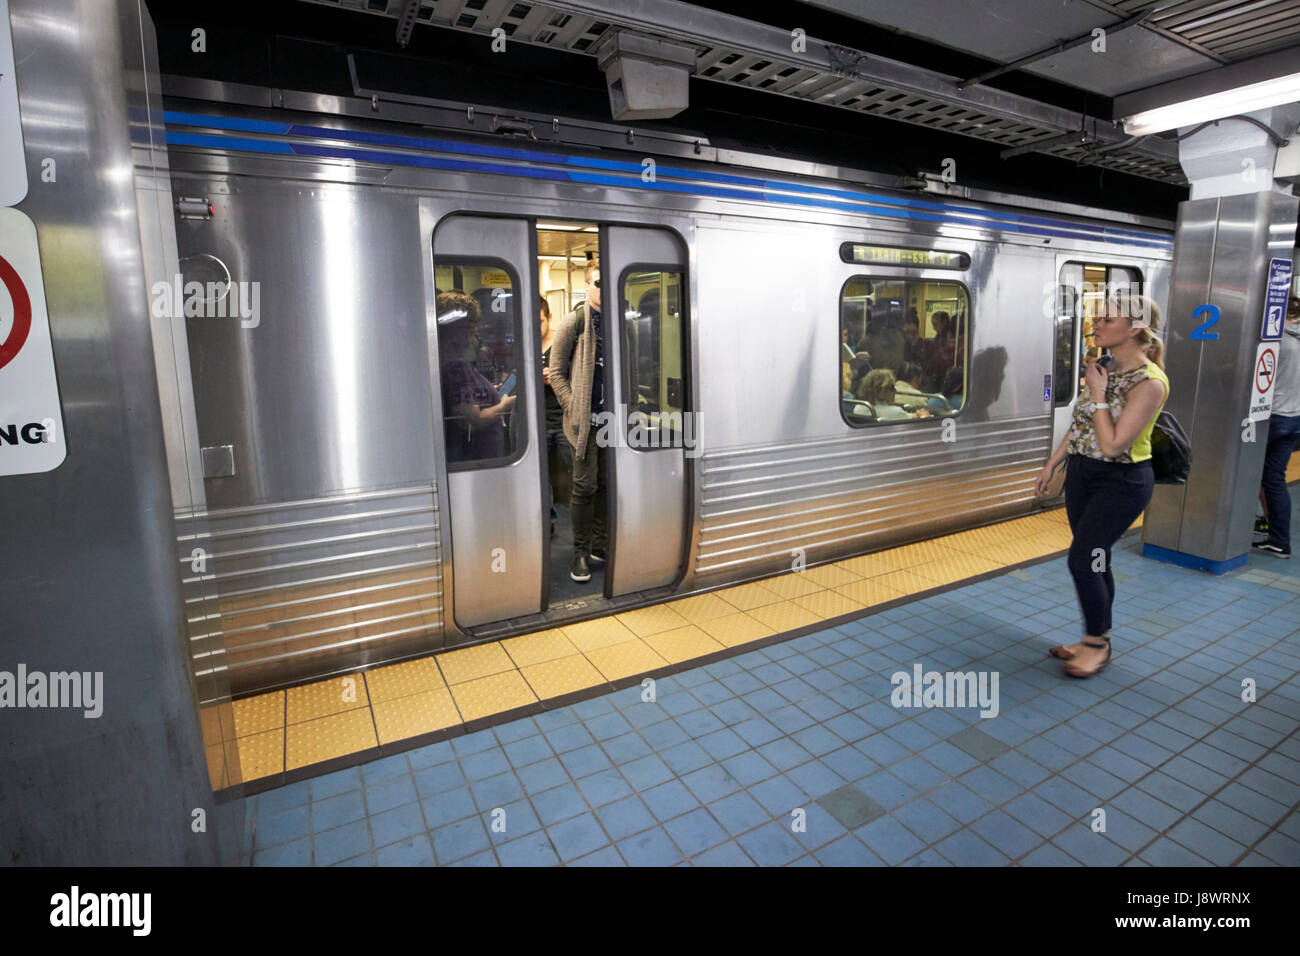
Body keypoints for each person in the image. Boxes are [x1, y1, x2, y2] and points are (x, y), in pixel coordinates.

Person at [1034, 294, 1169, 678]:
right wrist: (1054, 462)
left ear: (1135, 328)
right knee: (1097, 558)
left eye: (1107, 319)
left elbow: (1113, 444)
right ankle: (1097, 637)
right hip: (1082, 474)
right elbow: (1081, 425)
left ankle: (1096, 645)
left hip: (1121, 480)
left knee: (1082, 559)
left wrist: (1097, 394)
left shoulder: (1149, 383)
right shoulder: (1104, 365)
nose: (1096, 323)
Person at [549, 261, 609, 583]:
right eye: (598, 282)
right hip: (583, 423)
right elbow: (557, 373)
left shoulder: (617, 321)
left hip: (611, 420)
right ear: (588, 286)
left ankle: (601, 544)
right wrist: (574, 409)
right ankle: (581, 552)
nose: (603, 288)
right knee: (585, 487)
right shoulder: (575, 321)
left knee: (607, 485)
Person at [436, 291, 515, 463]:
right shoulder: (452, 368)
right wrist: (504, 405)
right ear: (459, 331)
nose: (474, 333)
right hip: (474, 459)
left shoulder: (459, 364)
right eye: (471, 328)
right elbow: (473, 419)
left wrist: (488, 391)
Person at [1254, 294, 1300, 557]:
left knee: (1241, 470)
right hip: (1294, 418)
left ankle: (1234, 525)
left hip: (1272, 417)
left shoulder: (1276, 341)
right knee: (1274, 479)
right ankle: (1279, 540)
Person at [540, 296, 573, 537]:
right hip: (536, 421)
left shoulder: (563, 344)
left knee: (577, 470)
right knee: (540, 476)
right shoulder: (523, 344)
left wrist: (557, 380)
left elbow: (581, 381)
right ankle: (547, 522)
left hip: (563, 419)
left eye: (540, 321)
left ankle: (587, 526)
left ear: (550, 318)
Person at [856, 369, 933, 421]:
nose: (895, 390)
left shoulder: (858, 408)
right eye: (892, 387)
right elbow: (917, 417)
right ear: (880, 390)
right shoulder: (895, 412)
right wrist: (924, 416)